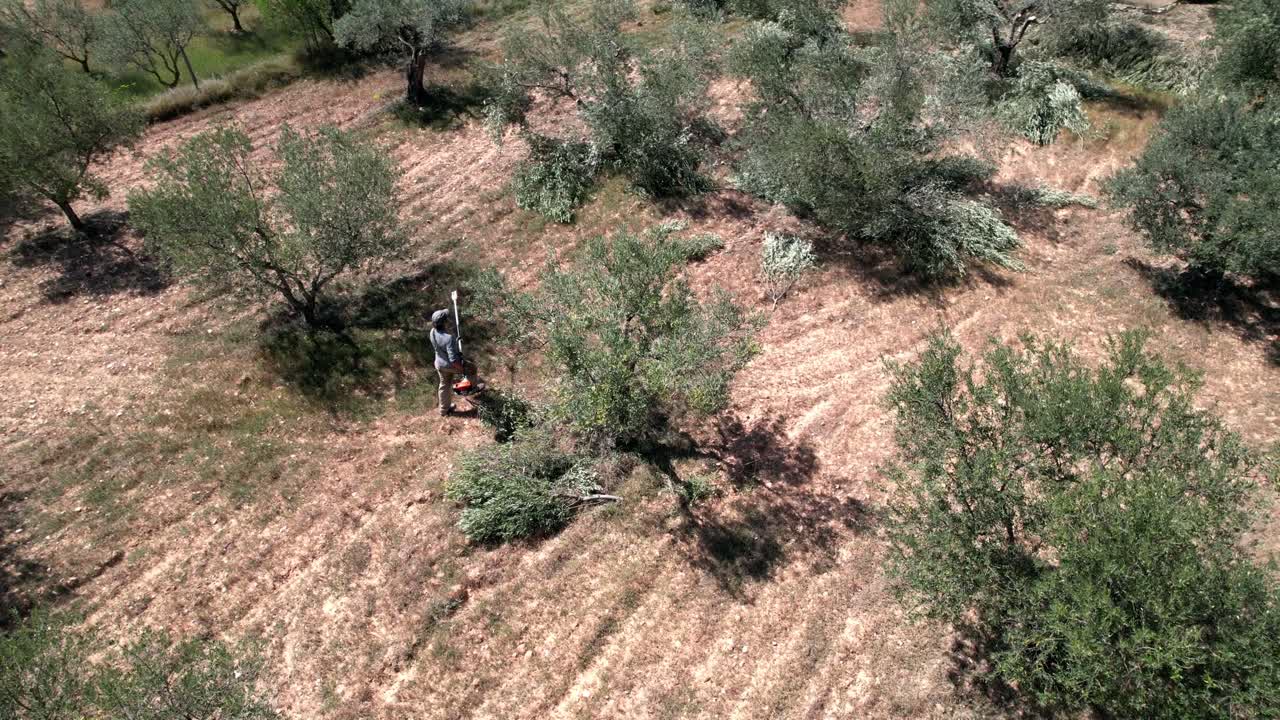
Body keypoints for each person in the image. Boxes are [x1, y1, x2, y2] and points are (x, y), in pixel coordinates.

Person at [429, 309, 478, 416]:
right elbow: (453, 360)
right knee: (472, 369)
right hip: (450, 365)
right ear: (444, 322)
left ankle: (444, 410)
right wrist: (461, 369)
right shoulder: (448, 338)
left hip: (439, 364)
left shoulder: (432, 332)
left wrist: (456, 343)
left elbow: (442, 347)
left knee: (444, 385)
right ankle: (470, 388)